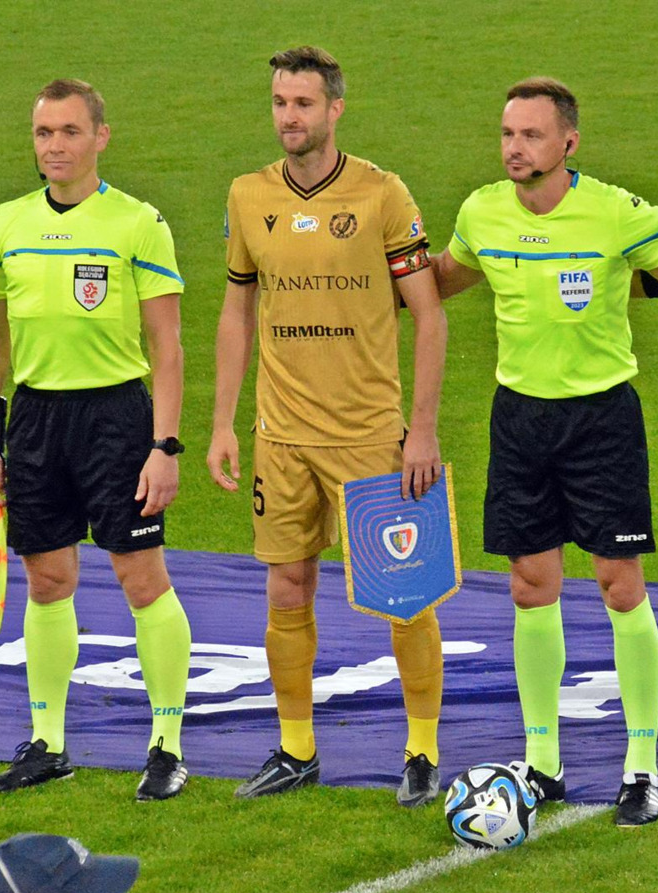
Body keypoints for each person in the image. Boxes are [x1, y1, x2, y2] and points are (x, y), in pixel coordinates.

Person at [432, 77, 658, 827]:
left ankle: (641, 766)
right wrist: (345, 283)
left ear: (568, 143)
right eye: (508, 134)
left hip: (600, 421)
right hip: (519, 420)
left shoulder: (614, 212)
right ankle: (543, 762)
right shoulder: (482, 212)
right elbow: (442, 279)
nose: (515, 148)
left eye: (531, 135)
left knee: (620, 585)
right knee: (529, 586)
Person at [208, 46, 448, 807]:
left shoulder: (382, 194)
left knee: (405, 593)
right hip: (281, 436)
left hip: (369, 436)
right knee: (286, 586)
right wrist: (223, 424)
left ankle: (421, 750)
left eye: (304, 103)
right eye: (281, 102)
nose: (290, 117)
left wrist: (421, 429)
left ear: (335, 109)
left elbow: (430, 316)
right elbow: (237, 312)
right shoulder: (248, 196)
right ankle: (297, 749)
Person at [0, 79, 192, 802]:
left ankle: (166, 747)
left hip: (115, 419)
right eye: (44, 133)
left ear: (101, 136)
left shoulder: (137, 223)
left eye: (70, 131)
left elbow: (167, 345)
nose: (55, 146)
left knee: (141, 579)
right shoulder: (7, 223)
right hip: (35, 421)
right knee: (48, 581)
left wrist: (164, 446)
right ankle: (49, 744)